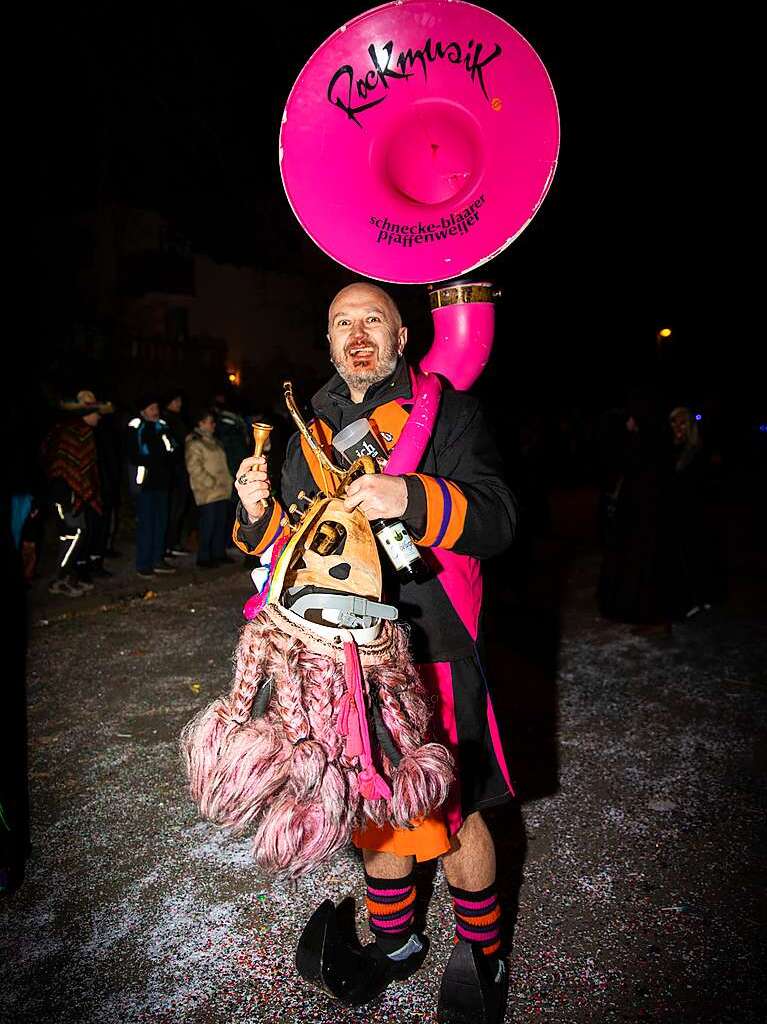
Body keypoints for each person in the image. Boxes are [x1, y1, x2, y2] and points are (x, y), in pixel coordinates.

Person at [231, 282, 517, 1023]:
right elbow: (283, 549)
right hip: (341, 653)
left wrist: (410, 497)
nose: (356, 335)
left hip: (434, 643)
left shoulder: (448, 414)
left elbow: (498, 518)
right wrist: (256, 512)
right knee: (373, 799)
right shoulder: (307, 433)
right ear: (326, 343)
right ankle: (396, 942)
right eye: (340, 323)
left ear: (401, 337)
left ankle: (485, 951)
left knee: (451, 810)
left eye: (372, 321)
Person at [42, 390, 114, 597]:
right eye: (95, 412)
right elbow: (67, 466)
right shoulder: (75, 432)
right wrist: (76, 492)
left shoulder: (76, 431)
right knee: (72, 534)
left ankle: (68, 577)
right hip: (64, 494)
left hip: (72, 493)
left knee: (76, 534)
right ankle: (59, 579)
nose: (99, 416)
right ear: (86, 413)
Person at [126, 394, 178, 578]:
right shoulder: (136, 427)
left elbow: (172, 449)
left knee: (161, 523)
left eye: (156, 408)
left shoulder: (162, 427)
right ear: (143, 411)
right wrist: (154, 459)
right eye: (151, 408)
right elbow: (133, 455)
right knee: (146, 525)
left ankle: (158, 559)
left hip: (162, 483)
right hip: (145, 485)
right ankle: (143, 563)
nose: (155, 412)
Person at [667, 407, 712, 618]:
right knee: (683, 556)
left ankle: (698, 598)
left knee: (693, 554)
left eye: (683, 423)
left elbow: (699, 484)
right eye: (674, 422)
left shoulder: (695, 450)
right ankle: (694, 598)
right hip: (678, 510)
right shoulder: (671, 449)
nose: (678, 427)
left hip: (692, 512)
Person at [184, 410, 234, 568]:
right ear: (200, 423)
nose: (213, 425)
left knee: (220, 523)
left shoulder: (214, 441)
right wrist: (210, 482)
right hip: (208, 491)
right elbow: (194, 467)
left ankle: (218, 553)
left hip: (222, 488)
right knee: (208, 524)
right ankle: (204, 557)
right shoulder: (194, 442)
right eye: (209, 422)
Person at [211, 391, 250, 545]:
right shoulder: (230, 427)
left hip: (233, 471)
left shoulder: (231, 424)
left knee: (230, 509)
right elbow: (235, 452)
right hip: (231, 472)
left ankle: (228, 542)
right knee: (229, 509)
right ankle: (228, 541)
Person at [162, 390, 192, 558]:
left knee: (179, 509)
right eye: (176, 400)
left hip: (180, 469)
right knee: (174, 509)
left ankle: (173, 542)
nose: (179, 404)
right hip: (175, 471)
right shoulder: (168, 420)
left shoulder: (177, 419)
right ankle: (169, 544)